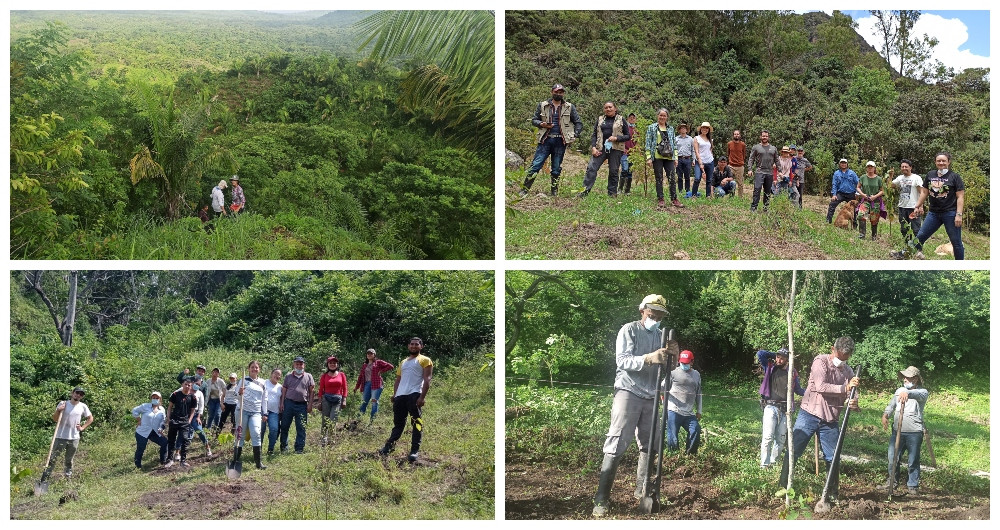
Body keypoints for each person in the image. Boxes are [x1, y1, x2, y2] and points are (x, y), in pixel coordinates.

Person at [592, 295, 671, 517]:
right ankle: (601, 499)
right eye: (651, 314)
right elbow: (623, 360)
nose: (655, 318)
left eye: (659, 316)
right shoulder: (629, 330)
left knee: (650, 443)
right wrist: (648, 358)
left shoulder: (661, 336)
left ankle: (642, 490)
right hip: (628, 390)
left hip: (651, 394)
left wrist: (670, 356)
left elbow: (666, 373)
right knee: (617, 440)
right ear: (642, 311)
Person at [779, 337, 860, 503]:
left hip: (830, 420)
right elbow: (821, 386)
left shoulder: (848, 372)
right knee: (794, 450)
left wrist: (853, 400)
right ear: (833, 349)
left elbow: (853, 392)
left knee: (833, 456)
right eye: (839, 356)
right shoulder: (820, 361)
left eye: (845, 358)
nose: (841, 361)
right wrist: (845, 388)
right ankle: (783, 488)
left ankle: (831, 494)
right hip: (809, 414)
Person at [890, 152, 966, 260]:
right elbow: (924, 192)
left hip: (950, 213)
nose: (941, 162)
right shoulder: (931, 175)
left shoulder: (954, 177)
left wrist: (959, 214)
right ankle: (903, 254)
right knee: (920, 236)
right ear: (935, 162)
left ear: (949, 162)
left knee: (956, 241)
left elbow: (960, 197)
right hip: (933, 213)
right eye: (938, 160)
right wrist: (917, 206)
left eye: (943, 160)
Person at [519, 83, 583, 197]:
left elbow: (578, 122)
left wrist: (575, 134)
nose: (558, 94)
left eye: (561, 92)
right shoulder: (543, 105)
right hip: (545, 140)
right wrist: (542, 124)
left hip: (560, 141)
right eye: (556, 91)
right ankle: (524, 190)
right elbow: (534, 120)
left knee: (556, 167)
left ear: (563, 93)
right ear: (552, 92)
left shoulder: (569, 106)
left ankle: (554, 192)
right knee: (536, 165)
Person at [378, 337, 433, 463]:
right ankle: (389, 447)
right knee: (398, 424)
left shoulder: (425, 360)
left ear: (421, 346)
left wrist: (422, 397)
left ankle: (414, 450)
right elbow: (398, 380)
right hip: (400, 397)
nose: (414, 346)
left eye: (416, 344)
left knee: (417, 423)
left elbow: (427, 378)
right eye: (411, 344)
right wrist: (395, 394)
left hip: (414, 395)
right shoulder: (403, 362)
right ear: (408, 346)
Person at [878, 366, 929, 494]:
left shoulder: (922, 392)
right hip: (897, 431)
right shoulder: (899, 390)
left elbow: (919, 394)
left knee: (913, 459)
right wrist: (885, 415)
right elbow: (892, 404)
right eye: (904, 377)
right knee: (893, 457)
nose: (905, 379)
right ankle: (892, 481)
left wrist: (908, 393)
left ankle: (912, 485)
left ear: (916, 379)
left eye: (908, 377)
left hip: (914, 432)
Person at [756, 348, 805, 468]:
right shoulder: (770, 367)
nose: (779, 359)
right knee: (767, 437)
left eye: (782, 358)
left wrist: (811, 392)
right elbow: (760, 354)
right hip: (770, 406)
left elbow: (798, 390)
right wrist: (776, 355)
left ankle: (774, 462)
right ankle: (764, 465)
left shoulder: (792, 372)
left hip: (785, 410)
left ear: (787, 360)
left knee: (781, 439)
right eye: (778, 357)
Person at [41, 387, 94, 482]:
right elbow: (55, 419)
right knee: (53, 458)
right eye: (77, 392)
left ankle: (67, 478)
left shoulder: (83, 406)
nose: (78, 395)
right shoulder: (63, 404)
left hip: (74, 437)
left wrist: (82, 428)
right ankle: (45, 478)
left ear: (82, 397)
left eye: (81, 394)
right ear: (72, 393)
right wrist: (58, 410)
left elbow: (90, 418)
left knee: (69, 460)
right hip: (60, 436)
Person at [580, 102, 631, 197]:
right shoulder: (600, 119)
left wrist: (617, 138)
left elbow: (628, 136)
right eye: (606, 108)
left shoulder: (621, 119)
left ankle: (612, 194)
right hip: (600, 148)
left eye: (610, 107)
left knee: (613, 171)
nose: (608, 109)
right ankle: (583, 192)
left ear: (615, 108)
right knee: (591, 168)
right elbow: (594, 134)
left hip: (615, 149)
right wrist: (593, 148)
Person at [665, 350, 702, 454]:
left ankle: (690, 455)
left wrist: (699, 411)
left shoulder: (696, 375)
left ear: (692, 362)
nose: (684, 365)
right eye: (682, 363)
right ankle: (673, 457)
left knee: (695, 430)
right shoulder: (673, 372)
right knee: (673, 436)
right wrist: (662, 393)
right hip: (674, 410)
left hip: (689, 412)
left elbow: (699, 393)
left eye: (686, 363)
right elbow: (663, 386)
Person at [644, 108, 681, 208]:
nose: (662, 117)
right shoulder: (652, 128)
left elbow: (674, 144)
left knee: (672, 178)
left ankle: (674, 199)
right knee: (659, 178)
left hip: (669, 157)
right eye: (661, 115)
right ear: (657, 116)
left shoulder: (671, 129)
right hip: (657, 156)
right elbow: (648, 143)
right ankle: (660, 199)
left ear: (667, 117)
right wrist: (648, 157)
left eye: (664, 115)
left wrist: (676, 157)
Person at [235, 360, 269, 470]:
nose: (254, 369)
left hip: (255, 412)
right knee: (240, 435)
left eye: (256, 367)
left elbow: (265, 399)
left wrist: (265, 413)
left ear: (259, 369)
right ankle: (235, 460)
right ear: (249, 369)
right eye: (252, 367)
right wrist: (240, 392)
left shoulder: (263, 382)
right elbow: (236, 394)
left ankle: (258, 463)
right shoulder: (243, 381)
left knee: (256, 433)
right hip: (242, 411)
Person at [280, 356, 315, 454]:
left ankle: (299, 448)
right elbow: (284, 390)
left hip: (302, 405)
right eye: (297, 364)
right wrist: (282, 403)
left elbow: (312, 392)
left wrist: (310, 405)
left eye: (301, 364)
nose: (299, 366)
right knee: (285, 426)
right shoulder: (288, 376)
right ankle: (284, 447)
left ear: (304, 365)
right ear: (294, 364)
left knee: (301, 427)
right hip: (289, 403)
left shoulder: (309, 376)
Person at [890, 160, 923, 251]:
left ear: (910, 167)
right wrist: (890, 176)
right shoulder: (900, 178)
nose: (904, 168)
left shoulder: (916, 178)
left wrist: (920, 206)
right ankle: (907, 246)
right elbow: (890, 185)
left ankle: (918, 248)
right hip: (902, 207)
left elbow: (922, 192)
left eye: (906, 166)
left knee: (916, 229)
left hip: (914, 207)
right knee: (904, 228)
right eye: (902, 167)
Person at [355, 348, 395, 423]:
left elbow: (390, 366)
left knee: (374, 402)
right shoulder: (364, 365)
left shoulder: (378, 362)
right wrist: (356, 387)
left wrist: (381, 371)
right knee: (364, 402)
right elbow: (361, 376)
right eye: (368, 353)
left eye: (371, 353)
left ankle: (372, 421)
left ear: (374, 355)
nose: (369, 355)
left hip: (376, 384)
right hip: (367, 384)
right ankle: (358, 420)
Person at [164, 378, 197, 468]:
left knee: (185, 440)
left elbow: (193, 410)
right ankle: (170, 460)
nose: (187, 386)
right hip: (174, 420)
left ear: (191, 387)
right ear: (182, 384)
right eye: (186, 384)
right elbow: (170, 407)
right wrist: (168, 418)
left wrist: (189, 420)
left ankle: (183, 460)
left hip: (185, 421)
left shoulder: (193, 397)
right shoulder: (175, 395)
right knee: (171, 440)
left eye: (189, 385)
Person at [132, 391, 168, 469]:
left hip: (155, 432)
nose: (155, 399)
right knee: (141, 448)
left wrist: (161, 429)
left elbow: (163, 420)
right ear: (151, 398)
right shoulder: (145, 406)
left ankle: (163, 461)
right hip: (142, 431)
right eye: (153, 397)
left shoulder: (162, 409)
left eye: (157, 398)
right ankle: (137, 465)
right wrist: (138, 419)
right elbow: (134, 410)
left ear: (160, 399)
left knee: (165, 443)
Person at [319, 356, 348, 446]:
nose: (332, 364)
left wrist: (344, 400)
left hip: (337, 400)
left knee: (333, 420)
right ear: (327, 365)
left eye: (334, 363)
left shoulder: (341, 375)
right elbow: (320, 390)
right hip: (326, 400)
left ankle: (331, 441)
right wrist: (320, 402)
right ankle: (323, 441)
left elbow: (345, 388)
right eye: (330, 363)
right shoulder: (324, 376)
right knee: (325, 421)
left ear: (337, 365)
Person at [748, 130, 778, 212]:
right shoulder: (756, 147)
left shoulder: (773, 148)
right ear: (760, 137)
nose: (764, 137)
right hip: (759, 171)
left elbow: (777, 160)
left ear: (768, 137)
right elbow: (751, 159)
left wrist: (781, 171)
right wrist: (750, 169)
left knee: (767, 191)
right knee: (757, 189)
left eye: (766, 136)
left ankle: (766, 209)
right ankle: (753, 208)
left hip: (769, 172)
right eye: (763, 136)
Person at [856, 161, 886, 240]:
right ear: (866, 168)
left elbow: (882, 190)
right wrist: (862, 194)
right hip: (865, 200)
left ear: (874, 168)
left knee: (874, 219)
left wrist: (875, 196)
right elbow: (858, 187)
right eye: (868, 167)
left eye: (871, 167)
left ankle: (874, 236)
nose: (870, 168)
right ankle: (862, 235)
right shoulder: (863, 177)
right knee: (861, 215)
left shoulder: (879, 179)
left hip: (875, 201)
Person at [826, 159, 859, 224]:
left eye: (845, 163)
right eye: (842, 163)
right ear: (839, 164)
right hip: (840, 193)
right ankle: (828, 221)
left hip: (851, 194)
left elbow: (858, 183)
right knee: (832, 204)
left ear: (847, 164)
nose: (843, 164)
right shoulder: (836, 173)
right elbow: (834, 184)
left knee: (854, 208)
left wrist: (858, 193)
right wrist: (834, 194)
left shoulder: (852, 173)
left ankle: (854, 224)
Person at [690, 122, 715, 199]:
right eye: (703, 128)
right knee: (697, 178)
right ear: (701, 129)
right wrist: (700, 162)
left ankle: (708, 196)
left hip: (710, 161)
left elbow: (710, 151)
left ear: (708, 130)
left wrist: (712, 160)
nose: (705, 129)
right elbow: (696, 151)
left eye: (707, 128)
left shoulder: (710, 140)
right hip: (700, 161)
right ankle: (694, 195)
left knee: (709, 180)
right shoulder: (696, 138)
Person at [262, 368, 283, 455]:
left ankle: (270, 449)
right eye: (275, 373)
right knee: (261, 430)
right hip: (263, 410)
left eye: (279, 375)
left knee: (274, 429)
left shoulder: (280, 387)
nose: (277, 376)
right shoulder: (264, 382)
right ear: (271, 374)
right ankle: (258, 450)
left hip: (274, 412)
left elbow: (282, 398)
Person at [618, 113, 638, 195]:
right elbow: (621, 139)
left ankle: (627, 190)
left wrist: (636, 150)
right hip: (624, 152)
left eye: (633, 118)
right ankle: (620, 189)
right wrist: (623, 149)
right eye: (630, 118)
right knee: (624, 169)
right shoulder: (624, 128)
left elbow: (638, 142)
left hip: (633, 154)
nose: (632, 119)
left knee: (630, 171)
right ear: (628, 119)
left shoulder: (637, 130)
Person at [203, 367, 227, 434]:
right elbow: (206, 390)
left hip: (219, 400)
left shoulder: (221, 381)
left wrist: (223, 401)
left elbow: (225, 390)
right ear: (212, 373)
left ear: (218, 374)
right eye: (214, 372)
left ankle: (216, 428)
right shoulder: (208, 381)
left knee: (217, 414)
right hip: (211, 400)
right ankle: (208, 429)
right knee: (211, 415)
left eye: (217, 372)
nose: (215, 373)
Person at [674, 124, 694, 197]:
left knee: (687, 175)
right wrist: (674, 159)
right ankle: (680, 190)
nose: (683, 129)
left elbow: (693, 150)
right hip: (678, 159)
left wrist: (694, 159)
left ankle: (688, 190)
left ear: (686, 130)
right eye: (681, 128)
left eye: (684, 128)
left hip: (687, 159)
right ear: (679, 130)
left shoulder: (690, 139)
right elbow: (674, 149)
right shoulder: (676, 139)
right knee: (679, 176)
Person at [727, 130, 747, 198]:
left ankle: (740, 198)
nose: (736, 135)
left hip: (740, 166)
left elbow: (744, 155)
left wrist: (740, 162)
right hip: (731, 166)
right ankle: (731, 196)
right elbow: (728, 153)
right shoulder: (729, 144)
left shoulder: (743, 144)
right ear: (733, 135)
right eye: (735, 134)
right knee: (730, 182)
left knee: (740, 184)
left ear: (740, 135)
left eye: (738, 134)